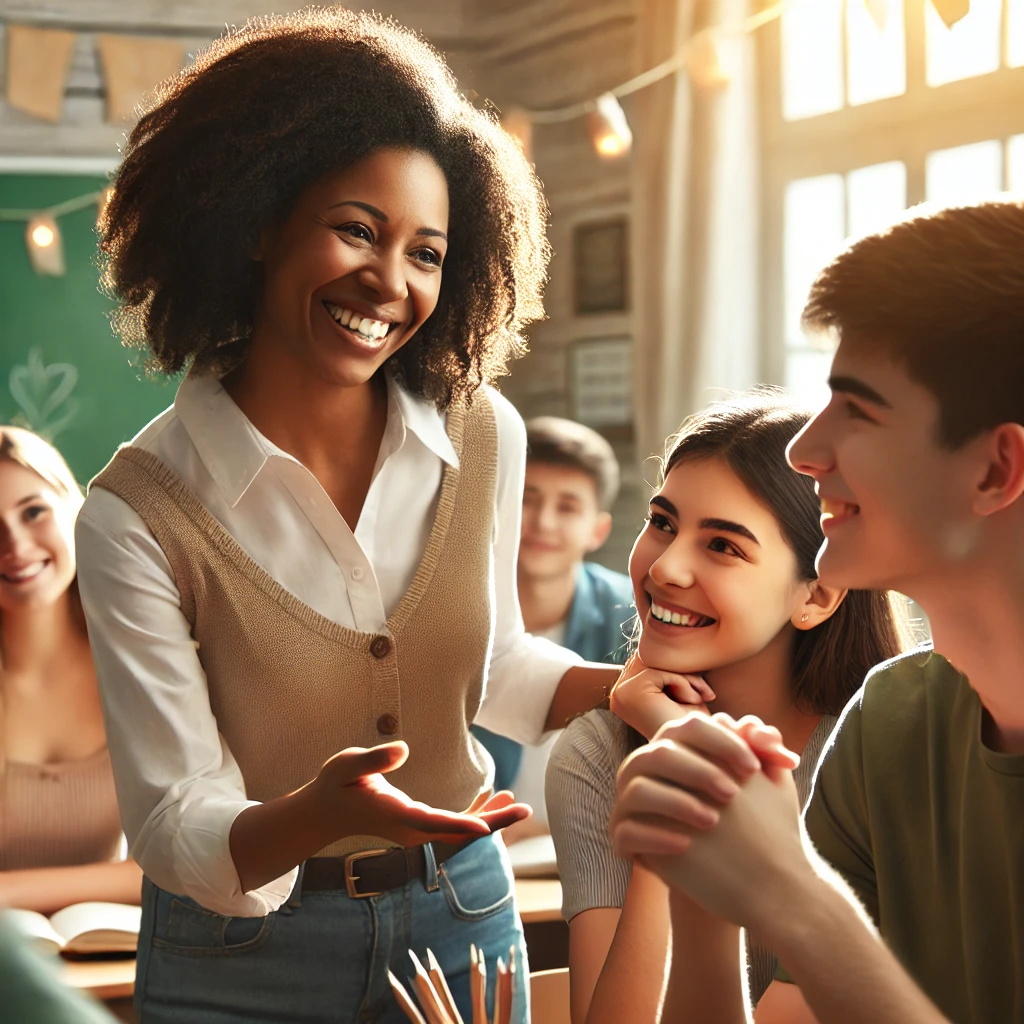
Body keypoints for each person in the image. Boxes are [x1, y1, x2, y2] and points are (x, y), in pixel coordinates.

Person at [75, 11, 621, 1024]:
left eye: (427, 252)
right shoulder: (136, 514)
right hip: (237, 957)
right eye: (357, 229)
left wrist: (630, 689)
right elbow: (171, 815)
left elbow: (492, 665)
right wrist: (310, 816)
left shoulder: (483, 433)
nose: (390, 282)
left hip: (463, 911)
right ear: (254, 217)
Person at [610, 200, 1024, 1024]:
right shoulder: (892, 725)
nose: (806, 451)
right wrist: (706, 899)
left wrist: (793, 895)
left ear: (994, 470)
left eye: (858, 411)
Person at [545, 392, 905, 1023]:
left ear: (817, 597)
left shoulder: (880, 751)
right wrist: (678, 763)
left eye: (723, 546)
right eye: (662, 522)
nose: (666, 567)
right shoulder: (601, 752)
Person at [0, 427, 141, 913]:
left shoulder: (139, 661)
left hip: (107, 956)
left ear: (76, 509)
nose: (13, 544)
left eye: (33, 512)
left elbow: (172, 870)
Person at [474, 416, 634, 798]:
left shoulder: (634, 614)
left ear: (598, 530)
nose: (543, 522)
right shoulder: (453, 612)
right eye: (526, 501)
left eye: (567, 507)